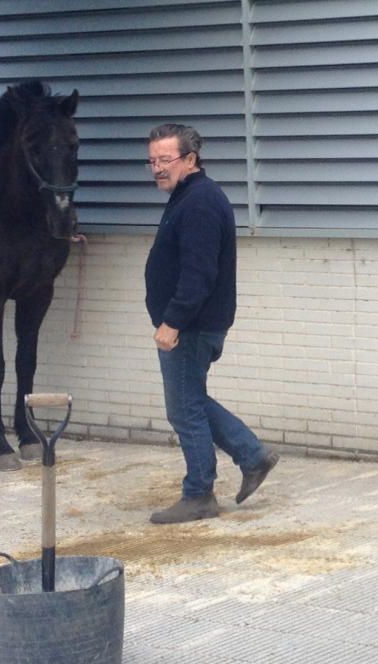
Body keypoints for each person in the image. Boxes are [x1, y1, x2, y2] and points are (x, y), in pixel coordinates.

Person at [144, 123, 279, 525]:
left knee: (184, 409)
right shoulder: (190, 195)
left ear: (190, 159)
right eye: (151, 161)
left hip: (190, 326)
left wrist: (173, 321)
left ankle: (199, 494)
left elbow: (198, 272)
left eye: (164, 160)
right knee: (191, 401)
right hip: (193, 323)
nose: (156, 168)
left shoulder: (199, 202)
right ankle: (253, 455)